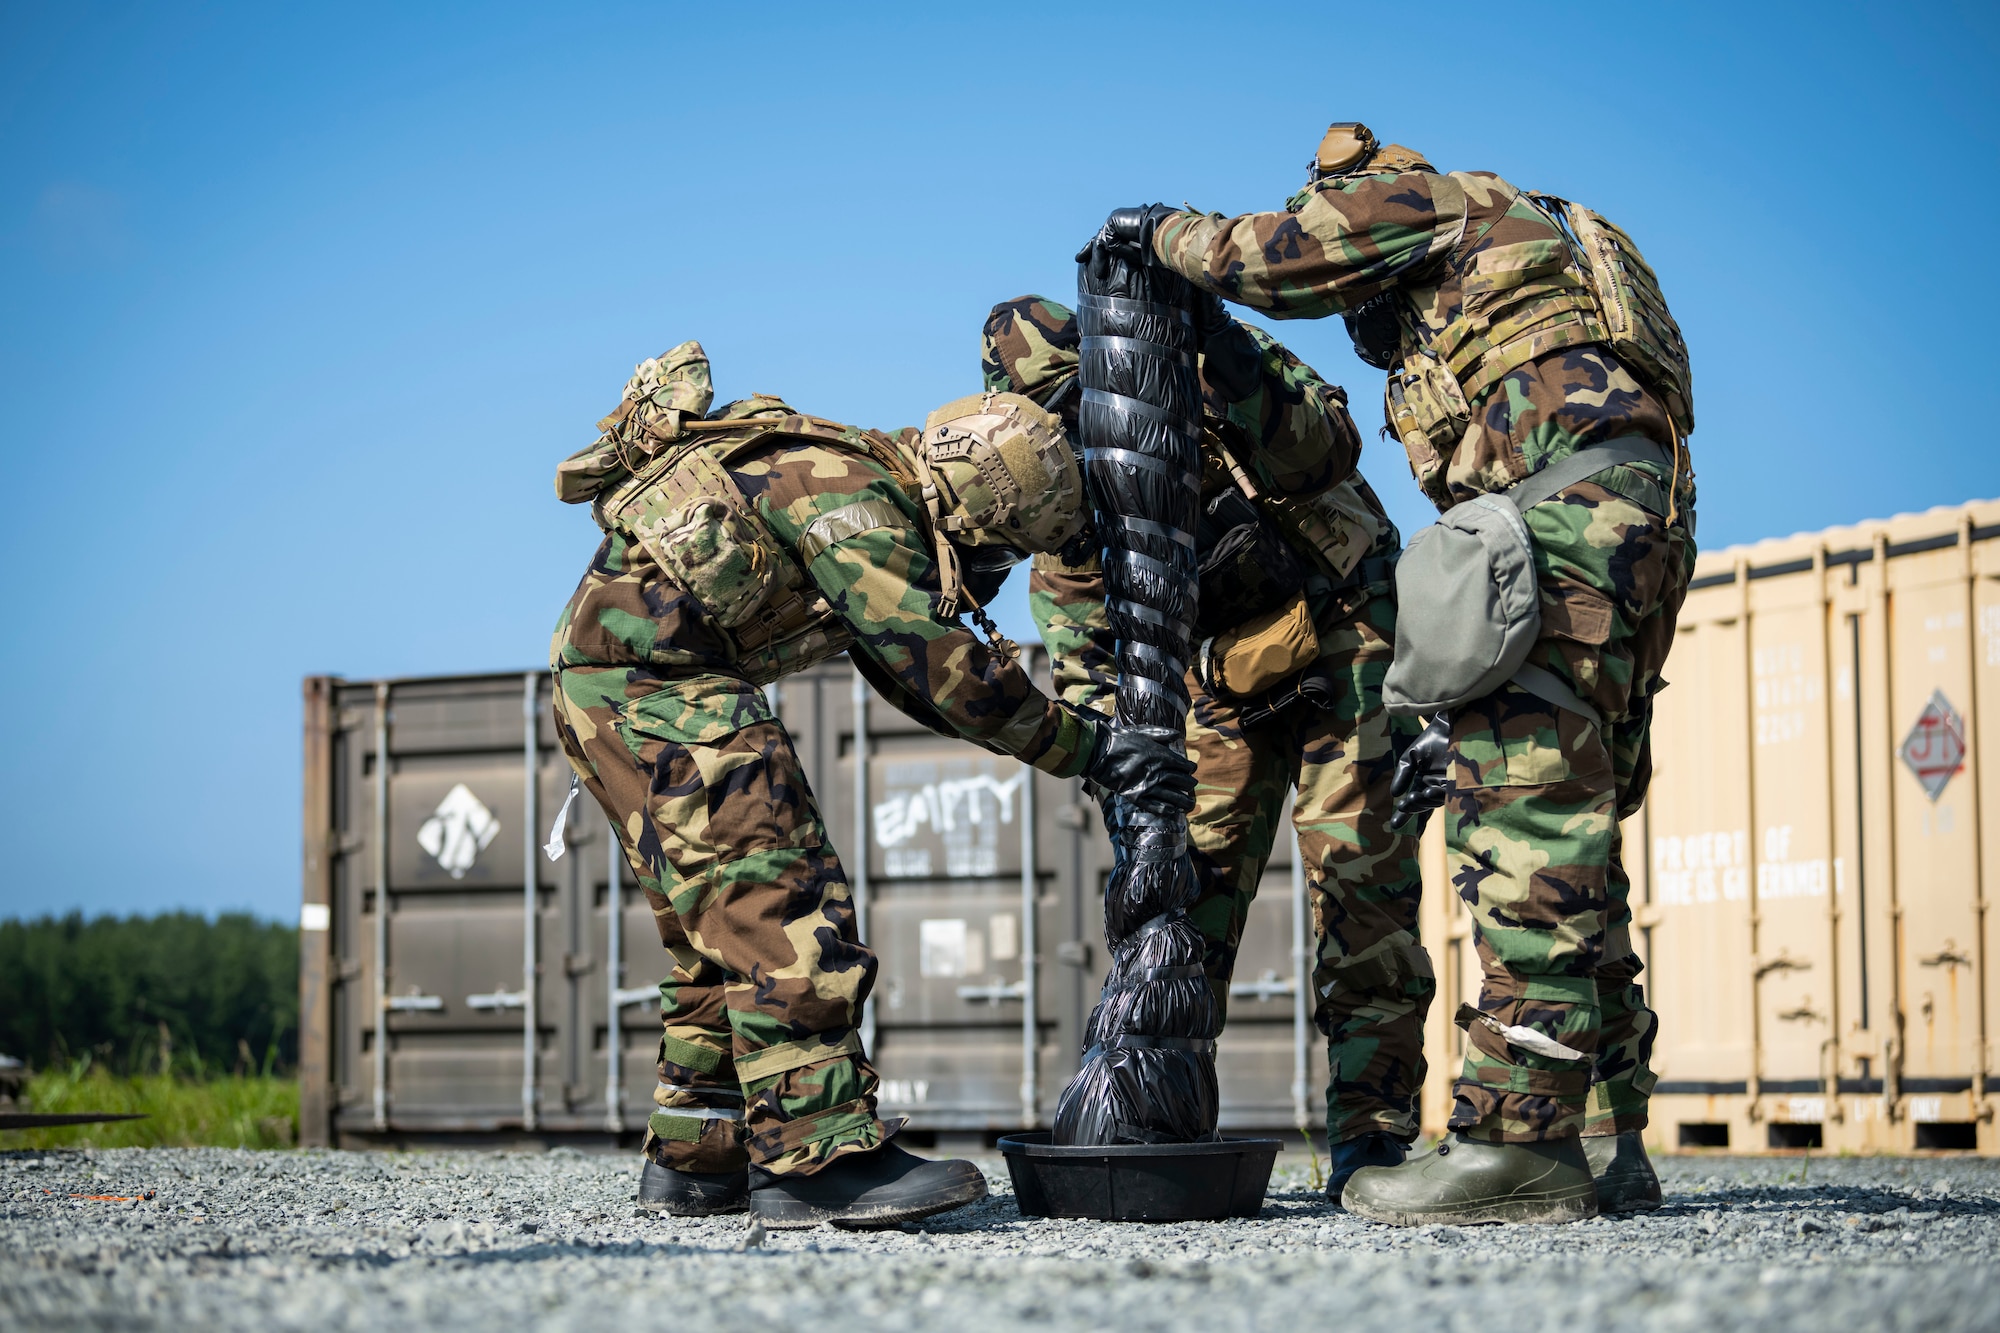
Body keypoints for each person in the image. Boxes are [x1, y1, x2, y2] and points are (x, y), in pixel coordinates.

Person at [1102, 122, 1697, 1225]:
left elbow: (1270, 258)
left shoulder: (1427, 201)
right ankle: (1614, 1140)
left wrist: (1162, 234)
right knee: (1575, 846)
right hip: (1631, 523)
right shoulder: (1540, 252)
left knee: (1518, 838)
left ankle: (1516, 1147)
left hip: (1563, 517)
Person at [548, 340, 1194, 1227]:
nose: (988, 572)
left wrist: (1062, 746)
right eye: (993, 547)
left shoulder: (855, 479)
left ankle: (699, 1157)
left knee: (720, 930)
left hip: (613, 686)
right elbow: (936, 663)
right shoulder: (858, 502)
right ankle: (818, 1159)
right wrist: (1091, 748)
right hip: (662, 688)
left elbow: (901, 671)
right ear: (977, 499)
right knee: (782, 899)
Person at [979, 294, 1434, 1203]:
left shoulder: (1204, 374)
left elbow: (1323, 447)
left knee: (1359, 881)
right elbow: (1094, 684)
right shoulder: (1064, 524)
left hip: (1349, 620)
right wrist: (1140, 807)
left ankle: (1371, 1140)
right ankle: (1165, 1116)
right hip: (1222, 676)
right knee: (1190, 886)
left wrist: (1223, 350)